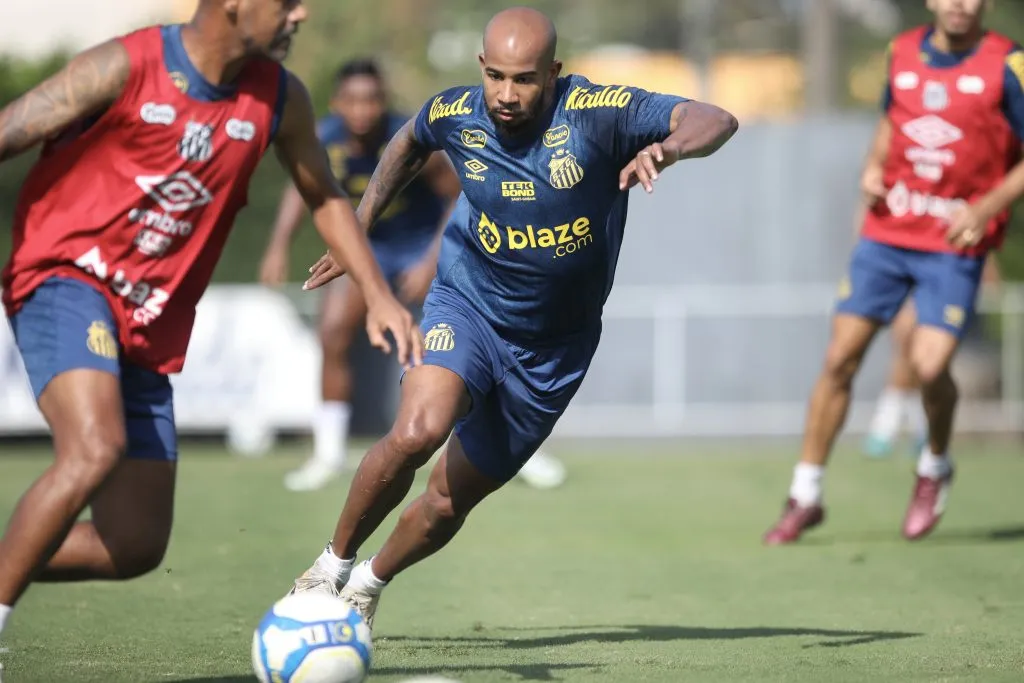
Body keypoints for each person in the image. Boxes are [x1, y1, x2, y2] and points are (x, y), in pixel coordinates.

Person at [286, 6, 738, 627]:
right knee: (419, 429)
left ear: (552, 72)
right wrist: (359, 222)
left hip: (555, 347)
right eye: (495, 76)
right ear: (480, 67)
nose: (505, 93)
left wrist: (669, 148)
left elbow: (715, 117)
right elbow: (410, 139)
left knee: (448, 500)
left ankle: (365, 586)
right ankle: (327, 569)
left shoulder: (599, 113)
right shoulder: (457, 112)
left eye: (523, 79)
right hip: (467, 303)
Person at [0, 0, 420, 667]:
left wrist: (375, 294)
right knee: (95, 447)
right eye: (285, 4)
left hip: (148, 323)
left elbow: (326, 196)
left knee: (134, 544)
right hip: (65, 281)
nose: (299, 15)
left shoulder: (281, 97)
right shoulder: (125, 64)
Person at [764, 0, 1024, 545]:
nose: (959, 4)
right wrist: (871, 167)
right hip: (886, 236)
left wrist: (985, 208)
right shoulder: (901, 51)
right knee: (839, 358)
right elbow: (892, 121)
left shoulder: (1008, 63)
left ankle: (934, 467)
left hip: (953, 243)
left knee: (930, 367)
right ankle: (805, 493)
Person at [258, 58, 569, 492]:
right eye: (353, 101)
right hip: (369, 247)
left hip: (429, 245)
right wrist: (278, 246)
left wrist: (429, 260)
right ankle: (328, 454)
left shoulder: (408, 137)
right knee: (331, 331)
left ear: (384, 102)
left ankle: (517, 449)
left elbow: (459, 196)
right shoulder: (325, 138)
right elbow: (300, 188)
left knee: (478, 337)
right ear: (337, 104)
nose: (363, 110)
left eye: (372, 100)